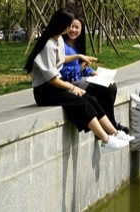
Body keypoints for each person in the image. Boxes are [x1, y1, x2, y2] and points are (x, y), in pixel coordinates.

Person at [24, 9, 133, 153]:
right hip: (45, 92)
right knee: (81, 103)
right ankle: (106, 141)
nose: (71, 28)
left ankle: (114, 133)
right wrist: (73, 88)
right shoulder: (48, 45)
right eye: (70, 25)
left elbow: (61, 59)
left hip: (55, 87)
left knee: (90, 99)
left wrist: (78, 56)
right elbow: (51, 79)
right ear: (63, 25)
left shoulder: (58, 40)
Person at [61, 16, 129, 134]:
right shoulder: (62, 46)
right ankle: (111, 127)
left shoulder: (77, 45)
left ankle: (111, 124)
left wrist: (91, 72)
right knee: (105, 89)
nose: (73, 30)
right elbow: (64, 73)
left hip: (79, 79)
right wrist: (82, 67)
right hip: (70, 83)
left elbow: (81, 66)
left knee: (111, 85)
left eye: (77, 27)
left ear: (82, 29)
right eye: (71, 26)